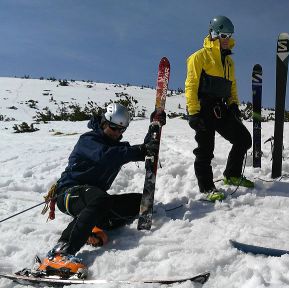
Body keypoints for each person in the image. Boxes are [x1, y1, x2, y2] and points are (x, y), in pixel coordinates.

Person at [38, 103, 159, 278]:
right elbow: (107, 155)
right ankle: (60, 252)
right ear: (104, 122)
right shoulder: (89, 140)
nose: (117, 133)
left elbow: (143, 149)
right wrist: (137, 150)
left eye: (121, 130)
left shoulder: (117, 147)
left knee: (142, 202)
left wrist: (154, 126)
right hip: (70, 193)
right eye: (114, 128)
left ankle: (91, 227)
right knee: (100, 199)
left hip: (95, 197)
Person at [184, 15, 253, 202]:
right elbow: (191, 85)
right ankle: (206, 188)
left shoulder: (229, 62)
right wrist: (194, 113)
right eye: (223, 35)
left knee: (244, 139)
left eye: (229, 35)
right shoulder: (198, 57)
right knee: (205, 150)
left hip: (220, 108)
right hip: (203, 108)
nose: (227, 39)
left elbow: (232, 85)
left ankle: (232, 175)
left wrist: (233, 104)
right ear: (213, 34)